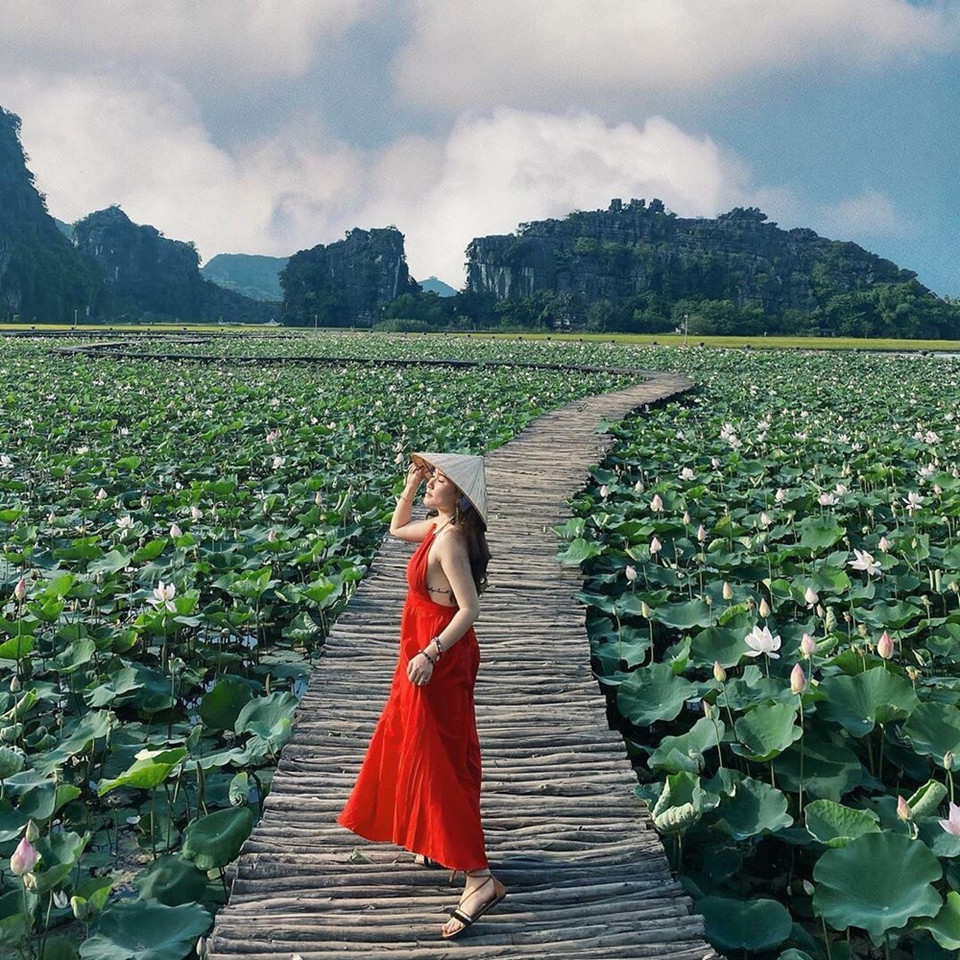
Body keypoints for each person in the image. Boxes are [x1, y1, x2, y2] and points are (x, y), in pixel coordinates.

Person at [337, 451, 506, 939]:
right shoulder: (435, 528)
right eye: (431, 477)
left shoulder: (451, 540)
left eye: (438, 479)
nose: (432, 483)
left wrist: (430, 654)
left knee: (439, 759)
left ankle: (479, 878)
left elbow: (469, 608)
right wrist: (410, 485)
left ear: (461, 496)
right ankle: (432, 839)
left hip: (438, 656)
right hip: (420, 650)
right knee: (411, 741)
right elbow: (395, 529)